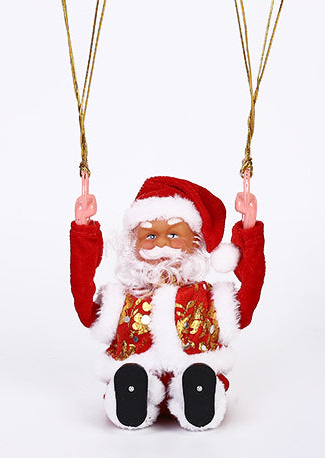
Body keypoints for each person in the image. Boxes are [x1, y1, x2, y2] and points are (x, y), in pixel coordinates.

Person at [70, 175, 265, 430]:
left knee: (197, 375)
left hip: (192, 371)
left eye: (173, 234)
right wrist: (83, 230)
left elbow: (247, 301)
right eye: (150, 235)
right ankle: (131, 394)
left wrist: (249, 230)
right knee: (132, 374)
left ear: (195, 241)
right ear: (134, 244)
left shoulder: (208, 297)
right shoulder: (122, 297)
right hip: (138, 372)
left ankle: (197, 394)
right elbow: (86, 308)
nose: (161, 243)